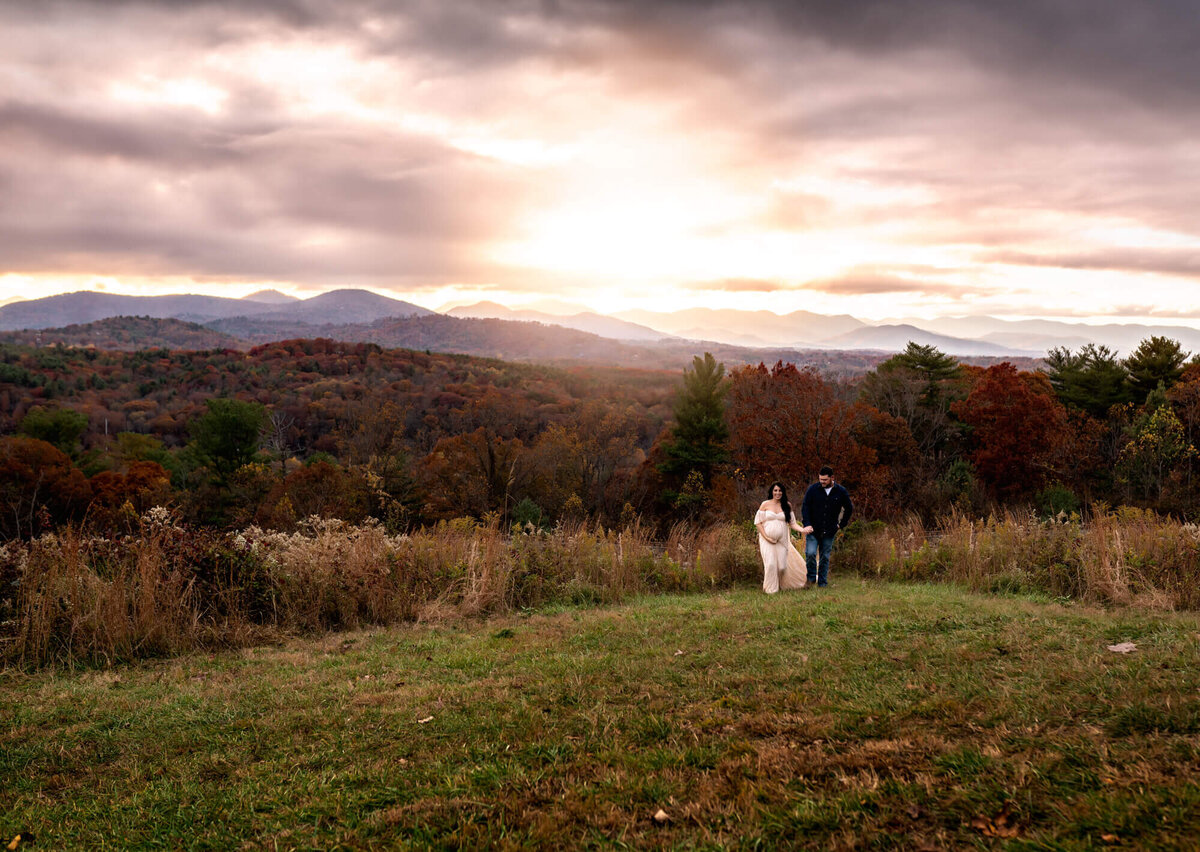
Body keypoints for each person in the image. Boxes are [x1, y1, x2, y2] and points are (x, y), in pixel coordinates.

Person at [754, 482, 812, 594]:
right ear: (772, 491)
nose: (777, 493)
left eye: (780, 491)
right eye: (775, 490)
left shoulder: (787, 505)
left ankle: (781, 584)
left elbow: (793, 523)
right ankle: (770, 590)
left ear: (783, 492)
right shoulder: (765, 504)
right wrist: (766, 537)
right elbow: (758, 523)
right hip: (767, 540)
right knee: (770, 564)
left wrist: (803, 530)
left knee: (782, 567)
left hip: (782, 540)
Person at [800, 466, 853, 588]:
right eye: (820, 479)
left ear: (832, 478)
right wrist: (807, 523)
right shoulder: (813, 489)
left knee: (824, 557)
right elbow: (805, 507)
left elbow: (849, 508)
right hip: (813, 529)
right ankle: (811, 579)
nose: (822, 482)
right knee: (810, 553)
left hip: (829, 530)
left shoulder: (841, 491)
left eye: (825, 480)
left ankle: (822, 583)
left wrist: (842, 524)